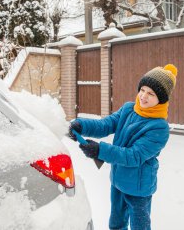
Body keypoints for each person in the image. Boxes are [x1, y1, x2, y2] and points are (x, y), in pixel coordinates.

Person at [68, 64, 177, 230]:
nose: (143, 96)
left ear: (161, 99)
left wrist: (100, 150)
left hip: (139, 189)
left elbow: (134, 156)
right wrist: (81, 125)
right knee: (116, 224)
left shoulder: (159, 128)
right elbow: (105, 125)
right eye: (142, 90)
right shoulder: (128, 109)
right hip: (118, 181)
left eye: (151, 94)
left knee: (139, 227)